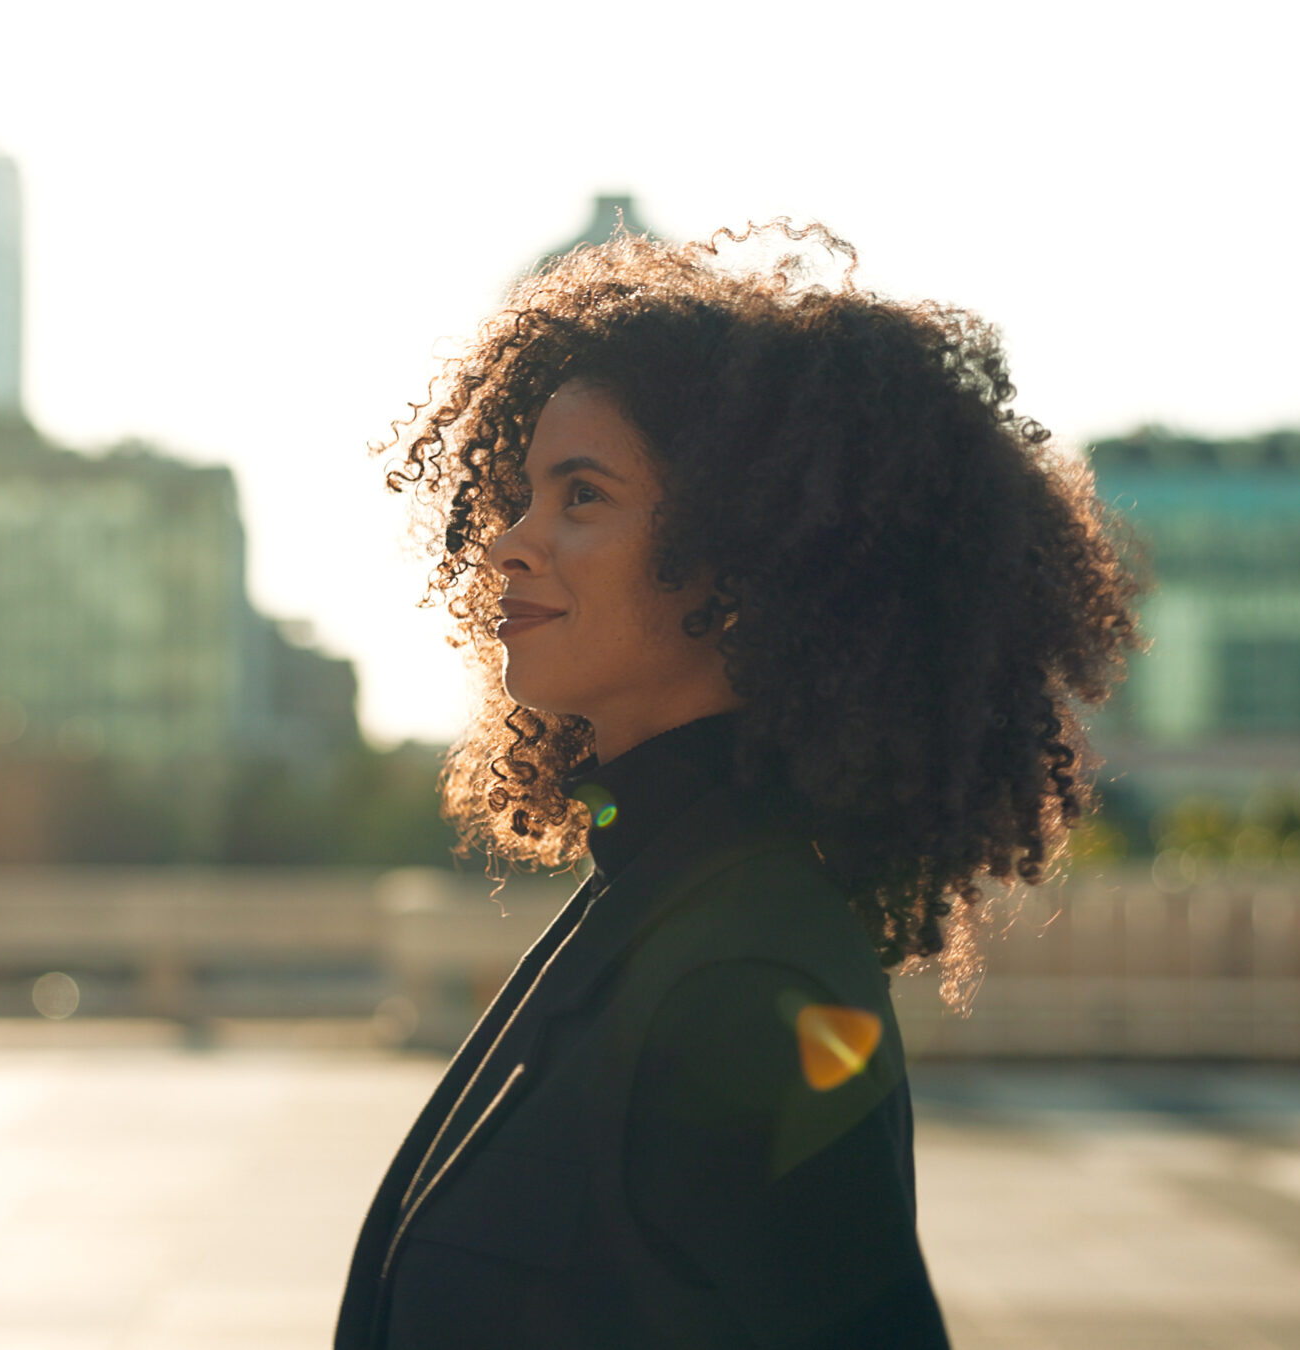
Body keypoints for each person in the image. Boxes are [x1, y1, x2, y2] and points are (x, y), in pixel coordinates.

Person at [334, 222, 1142, 1349]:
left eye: (581, 496)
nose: (511, 543)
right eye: (522, 494)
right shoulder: (652, 899)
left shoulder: (745, 972)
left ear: (743, 560)